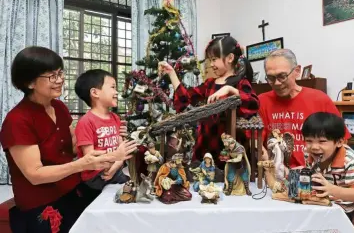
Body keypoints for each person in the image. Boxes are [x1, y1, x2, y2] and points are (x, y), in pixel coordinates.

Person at [0, 47, 136, 233]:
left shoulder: (59, 107)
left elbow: (72, 147)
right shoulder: (17, 120)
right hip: (41, 203)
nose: (60, 80)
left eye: (60, 73)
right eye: (51, 76)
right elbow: (35, 174)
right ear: (30, 82)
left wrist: (108, 135)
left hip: (72, 190)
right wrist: (81, 164)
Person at [159, 36, 259, 169]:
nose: (211, 64)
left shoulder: (241, 83)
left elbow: (253, 102)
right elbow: (185, 98)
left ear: (229, 58)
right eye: (210, 60)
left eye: (214, 59)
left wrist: (230, 89)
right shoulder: (209, 84)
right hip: (205, 146)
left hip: (230, 148)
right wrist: (171, 73)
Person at [259, 49, 351, 168]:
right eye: (271, 78)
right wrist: (270, 167)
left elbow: (342, 140)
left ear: (297, 71)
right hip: (277, 173)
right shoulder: (261, 101)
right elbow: (256, 142)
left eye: (282, 76)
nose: (276, 83)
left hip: (316, 172)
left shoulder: (320, 99)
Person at [302, 112, 354, 233]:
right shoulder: (309, 155)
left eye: (322, 141)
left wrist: (332, 189)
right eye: (309, 141)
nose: (314, 147)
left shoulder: (350, 160)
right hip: (332, 205)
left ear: (339, 142)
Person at [74, 69, 134, 192]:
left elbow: (121, 148)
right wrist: (115, 161)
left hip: (115, 169)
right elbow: (90, 159)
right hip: (95, 177)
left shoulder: (115, 118)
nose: (117, 92)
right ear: (95, 92)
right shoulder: (86, 122)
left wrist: (116, 165)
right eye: (112, 87)